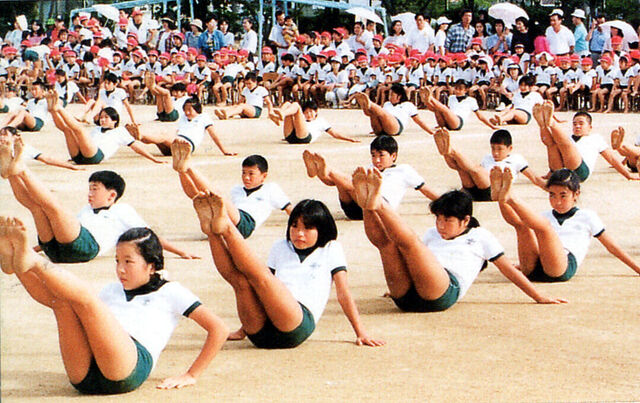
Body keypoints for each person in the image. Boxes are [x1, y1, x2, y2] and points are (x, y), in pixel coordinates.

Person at [0, 222, 227, 393]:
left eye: (128, 261)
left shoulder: (171, 291)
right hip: (85, 376)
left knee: (85, 298)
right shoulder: (111, 289)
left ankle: (33, 261)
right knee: (62, 303)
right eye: (117, 261)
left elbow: (219, 329)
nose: (120, 269)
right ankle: (18, 266)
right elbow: (55, 302)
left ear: (151, 266)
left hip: (128, 368)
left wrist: (191, 374)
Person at [349, 169, 565, 312]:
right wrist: (398, 279)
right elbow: (415, 263)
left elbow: (509, 270)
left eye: (448, 220)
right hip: (405, 298)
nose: (441, 225)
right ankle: (368, 206)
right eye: (438, 219)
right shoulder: (432, 233)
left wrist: (538, 296)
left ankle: (380, 204)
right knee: (387, 246)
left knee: (410, 244)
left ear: (465, 220)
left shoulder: (480, 236)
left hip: (441, 293)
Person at [192, 193, 385, 348]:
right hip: (260, 335)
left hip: (295, 326)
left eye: (307, 228)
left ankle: (227, 228)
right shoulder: (280, 246)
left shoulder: (331, 248)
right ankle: (212, 232)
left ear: (322, 229)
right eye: (294, 226)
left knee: (261, 278)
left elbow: (343, 293)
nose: (299, 233)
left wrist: (361, 332)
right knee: (241, 283)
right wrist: (242, 331)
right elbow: (262, 294)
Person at [0, 138, 196, 262]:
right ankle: (12, 174)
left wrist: (180, 252)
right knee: (37, 209)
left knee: (54, 208)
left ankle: (22, 171)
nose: (90, 194)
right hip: (56, 252)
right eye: (89, 189)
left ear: (111, 195)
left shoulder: (122, 210)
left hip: (86, 248)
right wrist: (33, 249)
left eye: (95, 189)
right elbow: (61, 230)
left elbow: (149, 235)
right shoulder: (86, 210)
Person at [494, 167, 640, 282]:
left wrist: (637, 268)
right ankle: (500, 198)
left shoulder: (587, 216)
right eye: (552, 195)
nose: (557, 202)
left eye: (563, 195)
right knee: (522, 227)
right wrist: (522, 264)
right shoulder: (543, 216)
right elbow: (529, 239)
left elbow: (612, 247)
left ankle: (511, 199)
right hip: (533, 269)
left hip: (560, 268)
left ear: (576, 194)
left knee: (543, 227)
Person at [302, 136, 439, 220]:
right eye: (373, 155)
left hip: (378, 208)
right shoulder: (369, 168)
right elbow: (340, 184)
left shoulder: (404, 170)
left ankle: (326, 170)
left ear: (393, 156)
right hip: (355, 209)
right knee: (341, 183)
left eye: (381, 155)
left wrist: (444, 202)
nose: (376, 160)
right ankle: (321, 173)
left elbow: (425, 189)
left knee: (351, 183)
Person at [171, 150, 292, 238]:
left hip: (246, 223)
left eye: (251, 174)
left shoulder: (271, 189)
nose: (246, 177)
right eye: (243, 173)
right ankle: (182, 171)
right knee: (200, 197)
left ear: (263, 176)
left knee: (217, 196)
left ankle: (189, 168)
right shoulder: (236, 190)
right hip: (228, 220)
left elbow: (290, 209)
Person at [46, 91, 163, 165]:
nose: (102, 120)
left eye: (106, 117)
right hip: (79, 157)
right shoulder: (96, 129)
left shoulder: (120, 131)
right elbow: (84, 143)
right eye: (101, 117)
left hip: (95, 156)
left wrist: (153, 159)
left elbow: (137, 147)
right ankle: (53, 111)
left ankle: (59, 108)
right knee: (68, 131)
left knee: (80, 130)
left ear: (115, 120)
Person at [532, 102, 639, 182]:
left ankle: (551, 123)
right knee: (551, 145)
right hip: (561, 172)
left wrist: (628, 175)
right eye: (574, 124)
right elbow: (554, 154)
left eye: (581, 123)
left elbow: (611, 159)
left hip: (580, 172)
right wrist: (549, 174)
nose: (577, 126)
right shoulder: (566, 137)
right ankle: (543, 125)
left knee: (566, 144)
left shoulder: (596, 138)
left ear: (590, 127)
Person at [432, 127, 545, 202]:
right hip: (474, 192)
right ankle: (446, 153)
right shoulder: (488, 158)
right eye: (493, 148)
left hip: (493, 192)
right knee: (461, 168)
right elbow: (475, 176)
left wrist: (549, 188)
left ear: (510, 148)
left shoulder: (517, 159)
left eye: (499, 149)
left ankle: (452, 151)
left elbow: (534, 178)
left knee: (476, 170)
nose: (495, 153)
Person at [125, 96, 236, 157]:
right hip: (175, 145)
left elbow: (213, 135)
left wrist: (224, 150)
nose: (187, 112)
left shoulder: (204, 117)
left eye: (189, 110)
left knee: (163, 135)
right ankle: (138, 136)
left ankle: (140, 135)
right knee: (159, 136)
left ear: (197, 109)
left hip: (186, 145)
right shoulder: (183, 117)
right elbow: (178, 131)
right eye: (185, 110)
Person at [351, 84, 434, 136]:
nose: (389, 97)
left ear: (399, 96)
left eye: (391, 95)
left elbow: (419, 121)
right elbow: (378, 116)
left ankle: (370, 104)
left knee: (382, 113)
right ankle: (367, 107)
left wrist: (431, 132)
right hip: (382, 129)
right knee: (374, 113)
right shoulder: (387, 104)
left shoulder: (408, 105)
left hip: (396, 126)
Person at [419, 80, 496, 131]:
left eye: (460, 89)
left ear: (465, 90)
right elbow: (439, 111)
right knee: (437, 109)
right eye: (456, 88)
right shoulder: (451, 97)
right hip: (446, 122)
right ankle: (427, 101)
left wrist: (491, 126)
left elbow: (480, 116)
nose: (457, 91)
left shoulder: (471, 100)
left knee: (444, 109)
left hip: (458, 122)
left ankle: (431, 98)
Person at [269, 100, 359, 144]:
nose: (308, 114)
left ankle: (281, 114)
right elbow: (295, 125)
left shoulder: (321, 121)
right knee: (288, 103)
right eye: (306, 112)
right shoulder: (302, 119)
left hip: (304, 137)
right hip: (291, 137)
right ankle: (278, 116)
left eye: (311, 112)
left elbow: (334, 134)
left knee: (296, 105)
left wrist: (350, 139)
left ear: (316, 112)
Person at [0, 127, 83, 171]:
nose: (1, 137)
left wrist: (70, 167)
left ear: (15, 137)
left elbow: (47, 159)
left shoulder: (26, 148)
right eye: (0, 135)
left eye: (5, 135)